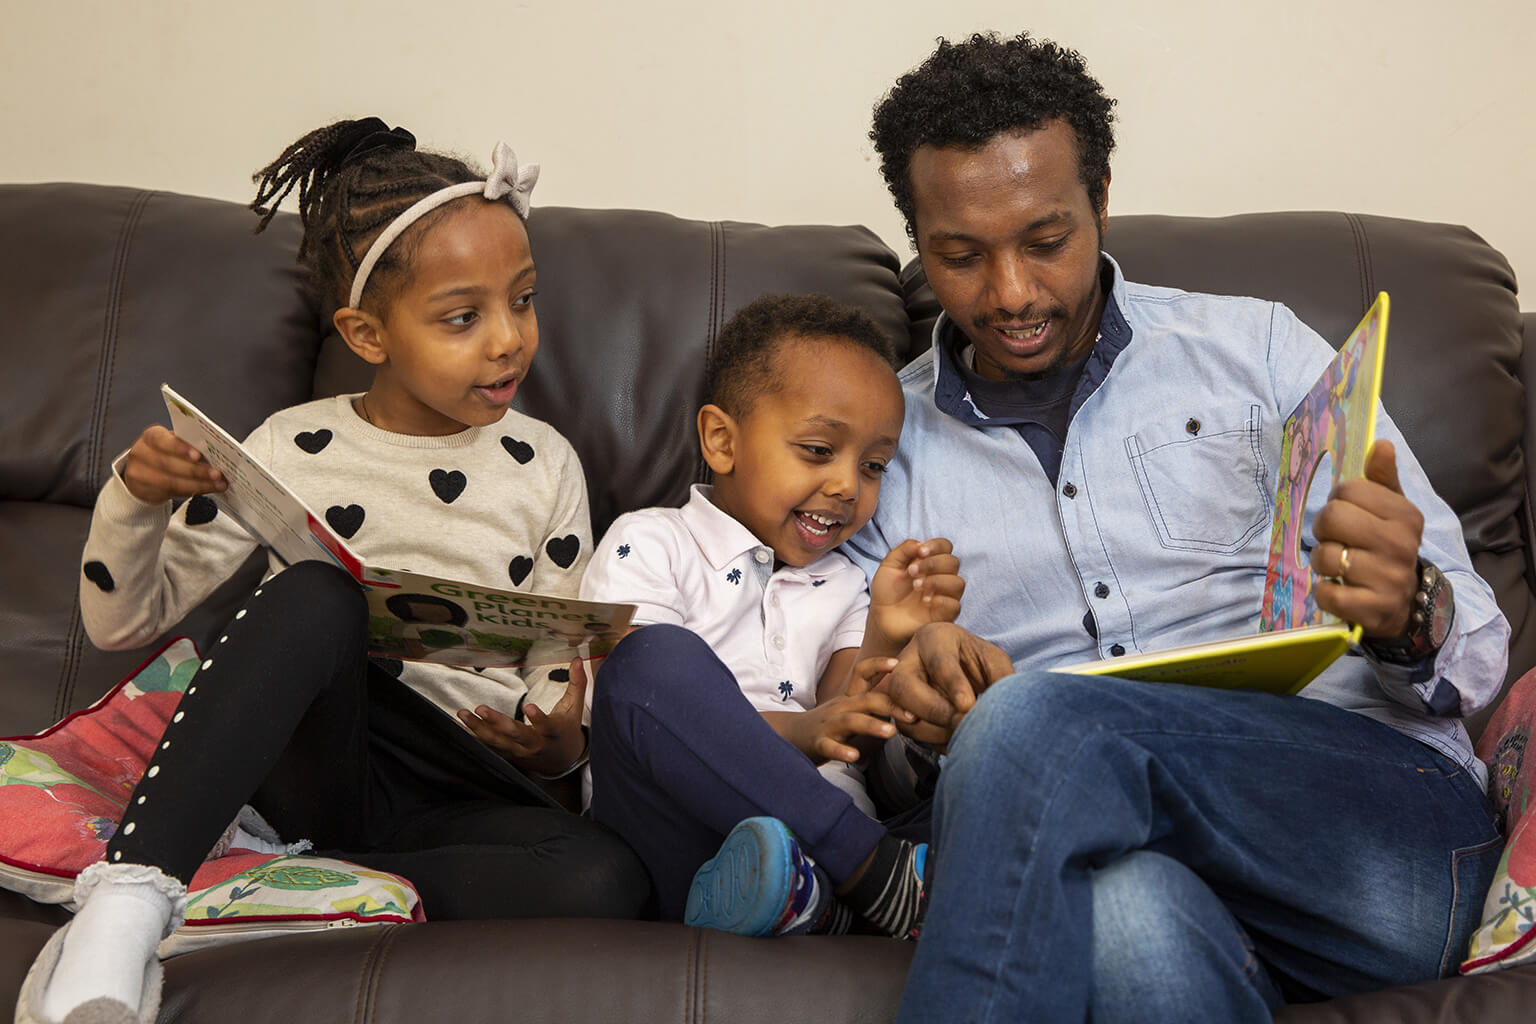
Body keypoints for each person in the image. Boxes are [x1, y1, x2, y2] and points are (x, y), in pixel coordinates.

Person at [846, 33, 1509, 1022]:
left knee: (1030, 715)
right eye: (961, 256)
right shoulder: (874, 452)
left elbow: (1484, 654)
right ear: (918, 244)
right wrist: (911, 713)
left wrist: (1410, 615)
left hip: (1371, 842)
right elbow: (853, 741)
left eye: (1045, 239)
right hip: (1106, 862)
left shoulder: (1257, 350)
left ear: (1102, 200)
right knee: (1122, 913)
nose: (1013, 293)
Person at [17, 118, 650, 1024]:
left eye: (524, 299)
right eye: (464, 317)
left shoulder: (545, 462)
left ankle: (278, 886)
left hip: (459, 782)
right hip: (325, 754)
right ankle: (126, 904)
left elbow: (555, 639)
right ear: (366, 331)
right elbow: (124, 624)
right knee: (317, 594)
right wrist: (133, 498)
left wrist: (561, 737)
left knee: (606, 877)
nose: (509, 340)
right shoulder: (289, 447)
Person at [580, 293, 958, 938]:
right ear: (722, 441)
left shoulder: (846, 580)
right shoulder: (650, 541)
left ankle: (819, 904)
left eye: (873, 467)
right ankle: (870, 875)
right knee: (652, 658)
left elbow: (847, 725)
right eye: (817, 450)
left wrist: (886, 637)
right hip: (682, 836)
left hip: (828, 836)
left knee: (992, 793)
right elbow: (630, 708)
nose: (847, 486)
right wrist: (800, 733)